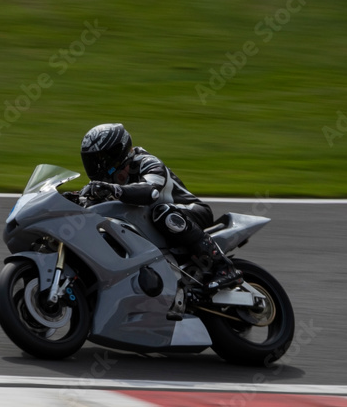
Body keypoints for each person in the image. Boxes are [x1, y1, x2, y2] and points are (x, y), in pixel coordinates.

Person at [77, 123, 242, 297]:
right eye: (91, 160)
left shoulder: (146, 162)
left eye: (99, 159)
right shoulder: (107, 181)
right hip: (154, 228)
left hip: (192, 212)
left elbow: (150, 191)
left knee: (162, 213)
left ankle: (223, 267)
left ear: (115, 152)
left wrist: (115, 190)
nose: (95, 166)